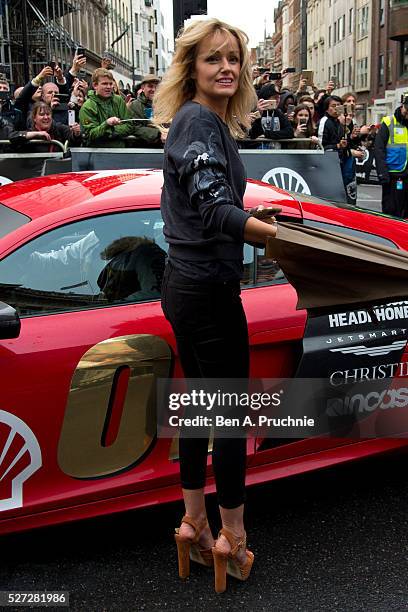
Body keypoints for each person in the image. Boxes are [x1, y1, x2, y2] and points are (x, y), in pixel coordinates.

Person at [154, 17, 278, 594]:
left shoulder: (199, 124)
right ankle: (234, 537)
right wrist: (275, 237)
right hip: (207, 292)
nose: (226, 68)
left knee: (200, 409)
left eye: (234, 59)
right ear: (193, 68)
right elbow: (213, 210)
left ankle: (193, 526)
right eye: (213, 59)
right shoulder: (199, 121)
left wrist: (255, 221)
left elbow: (211, 205)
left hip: (187, 285)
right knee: (227, 416)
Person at [79, 68, 135, 147]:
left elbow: (129, 125)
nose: (109, 87)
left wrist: (111, 131)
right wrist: (107, 124)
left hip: (120, 150)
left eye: (110, 84)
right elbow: (90, 134)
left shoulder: (118, 100)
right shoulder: (87, 107)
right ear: (95, 85)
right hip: (97, 153)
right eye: (105, 84)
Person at [374, 94, 408, 218]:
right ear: (402, 106)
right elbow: (379, 149)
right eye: (407, 110)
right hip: (393, 175)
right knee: (392, 212)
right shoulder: (389, 122)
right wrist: (383, 174)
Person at [9, 101, 81, 151]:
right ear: (34, 118)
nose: (46, 117)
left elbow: (73, 140)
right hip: (35, 170)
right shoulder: (31, 131)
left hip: (56, 168)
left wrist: (76, 133)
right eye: (42, 114)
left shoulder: (58, 128)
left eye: (48, 114)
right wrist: (36, 134)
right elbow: (12, 137)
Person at [128, 74, 164, 146]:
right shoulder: (134, 106)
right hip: (143, 148)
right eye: (150, 86)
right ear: (143, 87)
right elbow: (134, 127)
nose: (153, 90)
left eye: (156, 87)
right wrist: (158, 134)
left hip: (163, 148)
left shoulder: (165, 105)